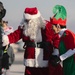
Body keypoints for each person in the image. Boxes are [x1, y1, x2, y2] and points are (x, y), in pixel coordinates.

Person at [2, 7, 62, 75]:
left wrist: (56, 51)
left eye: (29, 20)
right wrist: (5, 39)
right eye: (26, 20)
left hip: (45, 59)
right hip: (30, 59)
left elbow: (57, 38)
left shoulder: (47, 26)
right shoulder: (24, 27)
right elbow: (15, 35)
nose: (28, 22)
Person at [50, 5, 75, 75]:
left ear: (58, 26)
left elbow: (73, 49)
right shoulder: (61, 36)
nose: (51, 29)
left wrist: (60, 58)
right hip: (67, 64)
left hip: (72, 65)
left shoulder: (68, 34)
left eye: (52, 27)